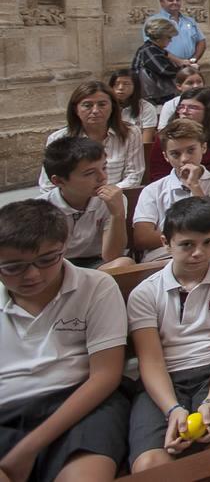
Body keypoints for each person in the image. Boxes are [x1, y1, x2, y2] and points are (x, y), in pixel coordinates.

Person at [0, 200, 130, 482]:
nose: (32, 275)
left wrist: (28, 448)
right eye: (14, 267)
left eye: (47, 259)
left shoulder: (95, 286)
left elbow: (106, 376)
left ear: (65, 246)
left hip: (81, 402)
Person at [126, 198, 210, 471]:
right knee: (149, 464)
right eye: (187, 245)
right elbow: (151, 361)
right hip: (165, 379)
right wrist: (172, 409)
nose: (199, 253)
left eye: (209, 242)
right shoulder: (145, 294)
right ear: (165, 242)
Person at [133, 119, 210, 262]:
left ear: (203, 147)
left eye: (191, 150)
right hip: (165, 256)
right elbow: (143, 237)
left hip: (209, 254)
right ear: (166, 156)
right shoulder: (153, 190)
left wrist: (195, 186)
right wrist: (190, 241)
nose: (185, 159)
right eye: (175, 154)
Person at [38, 137, 132, 270]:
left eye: (104, 168)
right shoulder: (42, 208)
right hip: (58, 265)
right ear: (58, 181)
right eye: (89, 173)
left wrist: (117, 214)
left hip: (98, 262)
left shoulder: (113, 199)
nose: (102, 177)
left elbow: (112, 256)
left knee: (123, 264)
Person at [37, 81, 144, 191]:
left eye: (102, 104)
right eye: (87, 105)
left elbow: (133, 176)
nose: (95, 111)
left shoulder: (130, 133)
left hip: (115, 197)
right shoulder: (58, 138)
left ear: (113, 107)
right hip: (73, 201)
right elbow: (47, 186)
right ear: (75, 109)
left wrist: (106, 195)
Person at [147, 88, 210, 180]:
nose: (184, 111)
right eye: (181, 107)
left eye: (192, 107)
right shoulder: (166, 136)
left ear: (209, 111)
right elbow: (158, 174)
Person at [148, 0, 207, 68]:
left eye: (178, 0)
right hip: (166, 66)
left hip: (189, 66)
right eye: (170, 0)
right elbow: (152, 47)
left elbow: (201, 41)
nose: (175, 2)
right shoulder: (154, 21)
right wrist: (179, 61)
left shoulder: (190, 21)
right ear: (161, 2)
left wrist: (194, 59)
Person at [133, 17, 183, 105]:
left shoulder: (155, 49)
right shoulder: (149, 50)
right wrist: (184, 69)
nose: (170, 40)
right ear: (159, 37)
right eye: (169, 37)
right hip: (153, 98)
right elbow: (165, 70)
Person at [109, 67, 159, 144]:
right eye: (116, 84)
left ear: (135, 87)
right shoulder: (106, 106)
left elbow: (146, 142)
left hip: (136, 150)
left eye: (126, 84)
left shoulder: (146, 108)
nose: (120, 88)